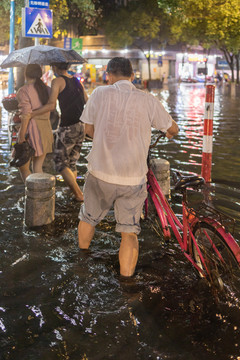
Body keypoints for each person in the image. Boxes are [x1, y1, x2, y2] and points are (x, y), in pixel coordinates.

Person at [78, 57, 179, 277]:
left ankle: (81, 261)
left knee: (88, 217)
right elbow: (173, 129)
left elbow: (88, 128)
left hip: (100, 174)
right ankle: (127, 283)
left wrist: (105, 141)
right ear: (132, 76)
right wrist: (169, 132)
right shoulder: (148, 100)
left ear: (109, 75)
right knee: (129, 233)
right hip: (133, 179)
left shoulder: (99, 94)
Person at [31, 62, 88, 202]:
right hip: (81, 126)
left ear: (54, 67)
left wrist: (32, 113)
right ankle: (73, 193)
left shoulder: (57, 81)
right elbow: (86, 100)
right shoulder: (76, 81)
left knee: (60, 162)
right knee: (72, 163)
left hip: (68, 126)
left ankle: (79, 194)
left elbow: (51, 105)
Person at [16, 64, 54, 182]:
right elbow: (52, 107)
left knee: (23, 167)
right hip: (45, 129)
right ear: (40, 74)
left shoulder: (23, 91)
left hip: (30, 130)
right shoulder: (47, 89)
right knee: (37, 167)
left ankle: (32, 193)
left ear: (26, 74)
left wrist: (21, 136)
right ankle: (40, 195)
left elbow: (26, 115)